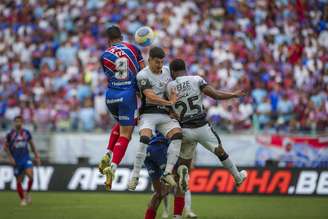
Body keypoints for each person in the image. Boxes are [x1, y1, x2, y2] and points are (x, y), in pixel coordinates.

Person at [166, 59, 247, 187]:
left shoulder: (169, 86)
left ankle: (183, 175)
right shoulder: (196, 79)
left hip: (185, 130)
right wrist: (233, 94)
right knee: (220, 151)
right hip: (202, 127)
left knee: (185, 160)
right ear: (185, 69)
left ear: (172, 72)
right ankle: (237, 177)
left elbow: (168, 109)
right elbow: (215, 95)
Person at [128, 47, 182, 190]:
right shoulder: (142, 75)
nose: (159, 65)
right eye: (156, 62)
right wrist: (169, 103)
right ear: (149, 60)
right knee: (145, 139)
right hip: (148, 114)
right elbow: (150, 97)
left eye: (161, 62)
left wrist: (172, 105)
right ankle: (135, 176)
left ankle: (168, 172)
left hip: (164, 114)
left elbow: (169, 90)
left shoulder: (166, 72)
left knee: (177, 135)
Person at [98, 25, 145, 190]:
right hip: (127, 96)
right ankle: (113, 167)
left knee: (122, 124)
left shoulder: (104, 55)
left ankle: (108, 153)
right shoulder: (133, 48)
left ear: (108, 40)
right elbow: (143, 73)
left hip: (111, 97)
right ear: (121, 36)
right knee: (127, 133)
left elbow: (109, 75)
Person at [144, 132, 188, 219]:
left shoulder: (153, 121)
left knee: (159, 193)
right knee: (178, 182)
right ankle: (179, 173)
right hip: (161, 148)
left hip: (148, 150)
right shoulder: (172, 121)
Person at [3, 116, 41, 206]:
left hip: (26, 158)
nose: (18, 123)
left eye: (20, 121)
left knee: (31, 176)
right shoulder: (10, 134)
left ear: (22, 122)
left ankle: (27, 193)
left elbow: (32, 145)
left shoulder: (26, 133)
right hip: (16, 160)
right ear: (14, 123)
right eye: (16, 121)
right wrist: (10, 158)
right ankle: (22, 199)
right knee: (19, 180)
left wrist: (37, 156)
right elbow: (5, 147)